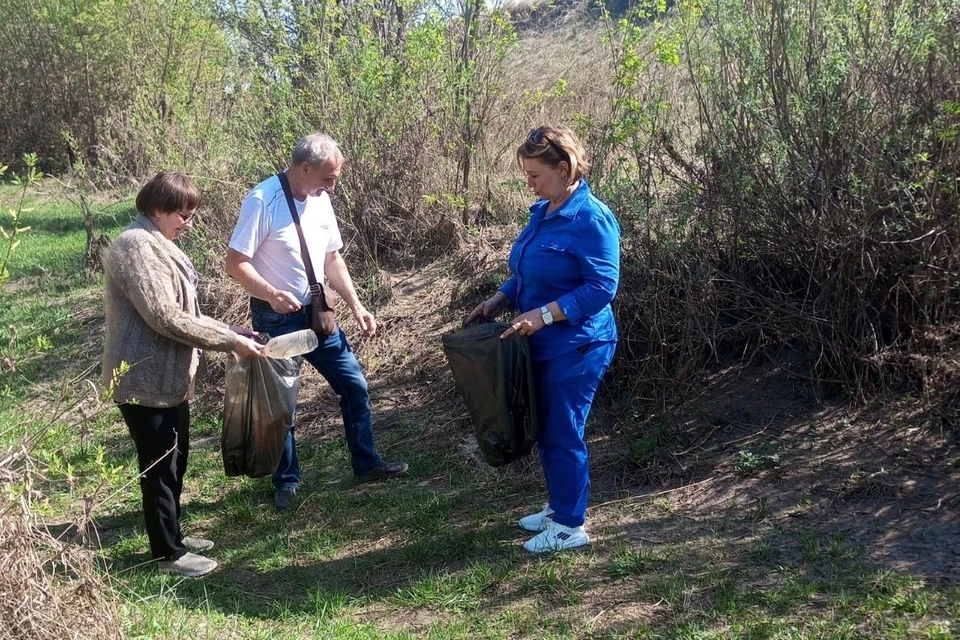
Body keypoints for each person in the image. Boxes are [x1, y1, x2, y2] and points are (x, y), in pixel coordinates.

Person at [226, 132, 408, 510]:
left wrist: (356, 306)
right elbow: (235, 263)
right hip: (274, 319)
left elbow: (332, 259)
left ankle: (366, 464)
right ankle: (287, 482)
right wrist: (271, 294)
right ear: (304, 168)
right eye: (328, 177)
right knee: (282, 405)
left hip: (318, 315)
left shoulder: (321, 200)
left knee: (354, 385)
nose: (333, 186)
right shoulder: (263, 200)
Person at [102, 171, 266, 577]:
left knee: (175, 461)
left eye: (191, 215)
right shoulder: (136, 246)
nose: (188, 223)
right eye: (183, 214)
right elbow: (164, 316)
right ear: (157, 208)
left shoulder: (159, 243)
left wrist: (233, 331)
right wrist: (229, 342)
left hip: (170, 378)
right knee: (159, 467)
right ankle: (167, 555)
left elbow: (185, 313)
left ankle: (172, 534)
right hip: (142, 379)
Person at [465, 125, 620, 553]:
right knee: (546, 426)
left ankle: (571, 525)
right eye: (527, 175)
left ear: (565, 168)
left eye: (535, 175)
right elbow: (528, 271)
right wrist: (500, 298)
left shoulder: (592, 218)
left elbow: (602, 287)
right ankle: (558, 508)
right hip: (541, 343)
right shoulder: (543, 210)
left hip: (579, 345)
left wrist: (547, 315)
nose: (529, 183)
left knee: (562, 430)